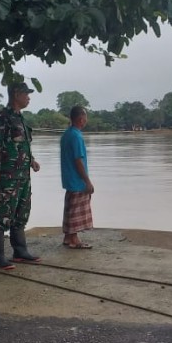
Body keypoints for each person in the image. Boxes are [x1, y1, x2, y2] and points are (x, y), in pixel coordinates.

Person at [0, 82, 41, 269]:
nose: (28, 97)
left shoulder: (22, 119)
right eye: (26, 94)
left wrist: (32, 160)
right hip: (7, 175)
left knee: (21, 213)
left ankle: (20, 251)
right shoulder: (1, 117)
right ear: (16, 94)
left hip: (23, 175)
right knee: (2, 214)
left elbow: (23, 145)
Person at [60, 106, 94, 249]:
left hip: (69, 179)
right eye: (85, 117)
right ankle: (74, 239)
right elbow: (78, 160)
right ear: (81, 119)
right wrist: (87, 181)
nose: (86, 120)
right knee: (76, 211)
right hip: (77, 180)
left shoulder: (66, 134)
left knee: (70, 208)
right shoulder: (77, 136)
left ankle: (68, 237)